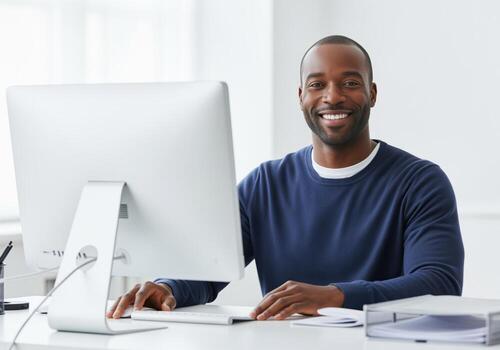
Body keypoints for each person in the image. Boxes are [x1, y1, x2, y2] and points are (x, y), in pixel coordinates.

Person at [108, 35, 464, 321]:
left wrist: (334, 297)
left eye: (350, 83)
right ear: (300, 97)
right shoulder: (266, 183)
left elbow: (440, 285)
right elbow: (211, 267)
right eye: (317, 84)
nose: (332, 96)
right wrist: (166, 287)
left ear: (372, 93)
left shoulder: (420, 181)